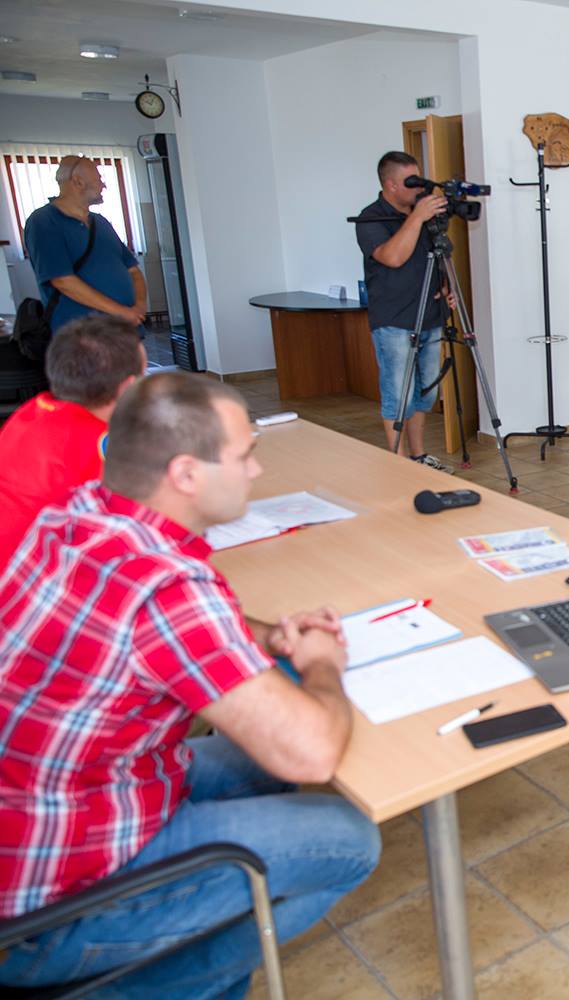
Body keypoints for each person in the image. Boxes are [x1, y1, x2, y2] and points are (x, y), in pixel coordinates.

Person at [0, 372, 380, 998]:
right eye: (245, 454)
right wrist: (321, 665)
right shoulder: (167, 586)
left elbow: (168, 633)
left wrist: (270, 637)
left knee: (264, 765)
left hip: (66, 806)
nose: (257, 470)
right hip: (46, 910)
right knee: (349, 840)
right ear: (185, 474)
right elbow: (311, 752)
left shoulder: (76, 514)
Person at [0, 314, 145, 557]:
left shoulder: (33, 411)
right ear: (128, 387)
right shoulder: (97, 442)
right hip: (31, 567)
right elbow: (134, 521)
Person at [355, 150, 454, 471]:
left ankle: (418, 455)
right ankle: (399, 466)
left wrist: (446, 287)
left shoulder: (423, 215)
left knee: (426, 392)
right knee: (399, 394)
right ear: (391, 185)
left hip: (430, 315)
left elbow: (437, 257)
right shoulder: (371, 218)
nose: (419, 187)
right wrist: (416, 218)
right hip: (394, 321)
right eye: (411, 182)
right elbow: (393, 257)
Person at [22, 155, 147, 333]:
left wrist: (139, 306)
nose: (104, 185)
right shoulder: (43, 222)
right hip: (84, 335)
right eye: (99, 179)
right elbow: (63, 281)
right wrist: (121, 312)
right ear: (78, 182)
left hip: (125, 329)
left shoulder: (101, 222)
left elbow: (133, 270)